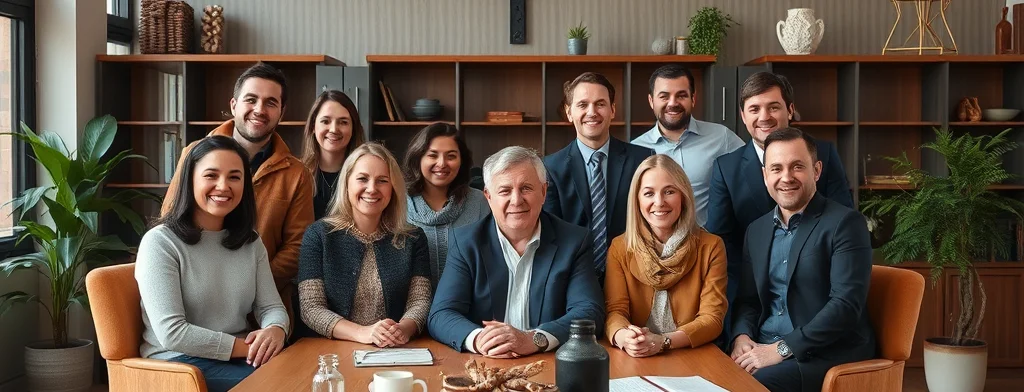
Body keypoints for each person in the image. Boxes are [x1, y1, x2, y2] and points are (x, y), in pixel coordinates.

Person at [161, 62, 315, 324]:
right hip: (194, 304)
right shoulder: (194, 155)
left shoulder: (296, 173)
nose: (259, 110)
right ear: (234, 105)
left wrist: (250, 286)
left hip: (263, 314)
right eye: (251, 99)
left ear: (282, 112)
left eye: (270, 103)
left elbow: (298, 247)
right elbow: (171, 220)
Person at [705, 72, 853, 343]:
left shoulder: (823, 155)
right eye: (755, 109)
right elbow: (720, 240)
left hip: (816, 296)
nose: (764, 117)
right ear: (743, 116)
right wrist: (740, 322)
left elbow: (843, 224)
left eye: (774, 107)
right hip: (748, 298)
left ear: (791, 110)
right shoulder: (726, 168)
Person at [136, 136, 288, 392]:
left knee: (310, 372)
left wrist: (276, 329)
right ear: (190, 180)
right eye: (211, 175)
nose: (223, 186)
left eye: (234, 177)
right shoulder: (160, 243)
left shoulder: (250, 242)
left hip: (240, 358)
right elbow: (172, 332)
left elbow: (271, 306)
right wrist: (248, 348)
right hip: (178, 363)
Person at [730, 128, 875, 392]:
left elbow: (845, 306)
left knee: (747, 386)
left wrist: (781, 349)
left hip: (822, 353)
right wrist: (741, 337)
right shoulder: (757, 230)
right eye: (776, 168)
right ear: (765, 176)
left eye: (797, 166)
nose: (786, 177)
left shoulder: (845, 223)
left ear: (816, 171)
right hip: (763, 347)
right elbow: (748, 301)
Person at [428, 146, 605, 357]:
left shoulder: (574, 241)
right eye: (505, 190)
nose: (516, 200)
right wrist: (479, 339)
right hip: (486, 364)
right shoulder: (466, 242)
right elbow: (441, 314)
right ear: (488, 196)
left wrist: (535, 339)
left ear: (544, 191)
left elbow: (589, 312)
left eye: (526, 188)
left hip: (547, 361)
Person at [295, 143, 432, 346]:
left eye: (382, 181)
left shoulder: (413, 238)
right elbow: (311, 308)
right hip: (331, 349)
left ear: (393, 188)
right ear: (347, 183)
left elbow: (420, 301)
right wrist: (363, 333)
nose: (372, 189)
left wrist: (402, 329)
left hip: (395, 348)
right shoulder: (319, 235)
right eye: (362, 179)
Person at [604, 154, 728, 357]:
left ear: (683, 196)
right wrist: (624, 337)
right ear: (637, 200)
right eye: (648, 193)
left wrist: (664, 341)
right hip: (635, 354)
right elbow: (615, 311)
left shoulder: (711, 246)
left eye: (669, 191)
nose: (659, 202)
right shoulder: (620, 248)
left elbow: (712, 318)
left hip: (692, 353)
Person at [543, 72, 654, 283]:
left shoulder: (642, 159)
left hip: (635, 274)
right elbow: (552, 234)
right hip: (574, 277)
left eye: (600, 104)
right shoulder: (550, 167)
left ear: (613, 110)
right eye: (583, 105)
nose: (592, 112)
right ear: (569, 112)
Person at [631, 64, 744, 227]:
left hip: (706, 246)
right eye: (664, 96)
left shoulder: (721, 138)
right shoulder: (635, 149)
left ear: (693, 98)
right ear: (651, 101)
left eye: (681, 95)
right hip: (654, 248)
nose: (672, 103)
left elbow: (753, 171)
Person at [403, 122, 489, 289]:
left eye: (451, 156)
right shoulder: (397, 203)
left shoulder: (480, 202)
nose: (442, 163)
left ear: (461, 160)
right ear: (418, 157)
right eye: (432, 155)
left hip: (467, 310)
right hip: (408, 312)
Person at [301, 89, 366, 220]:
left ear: (353, 128)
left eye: (343, 122)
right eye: (325, 121)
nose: (334, 129)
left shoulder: (365, 176)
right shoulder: (297, 174)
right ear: (313, 126)